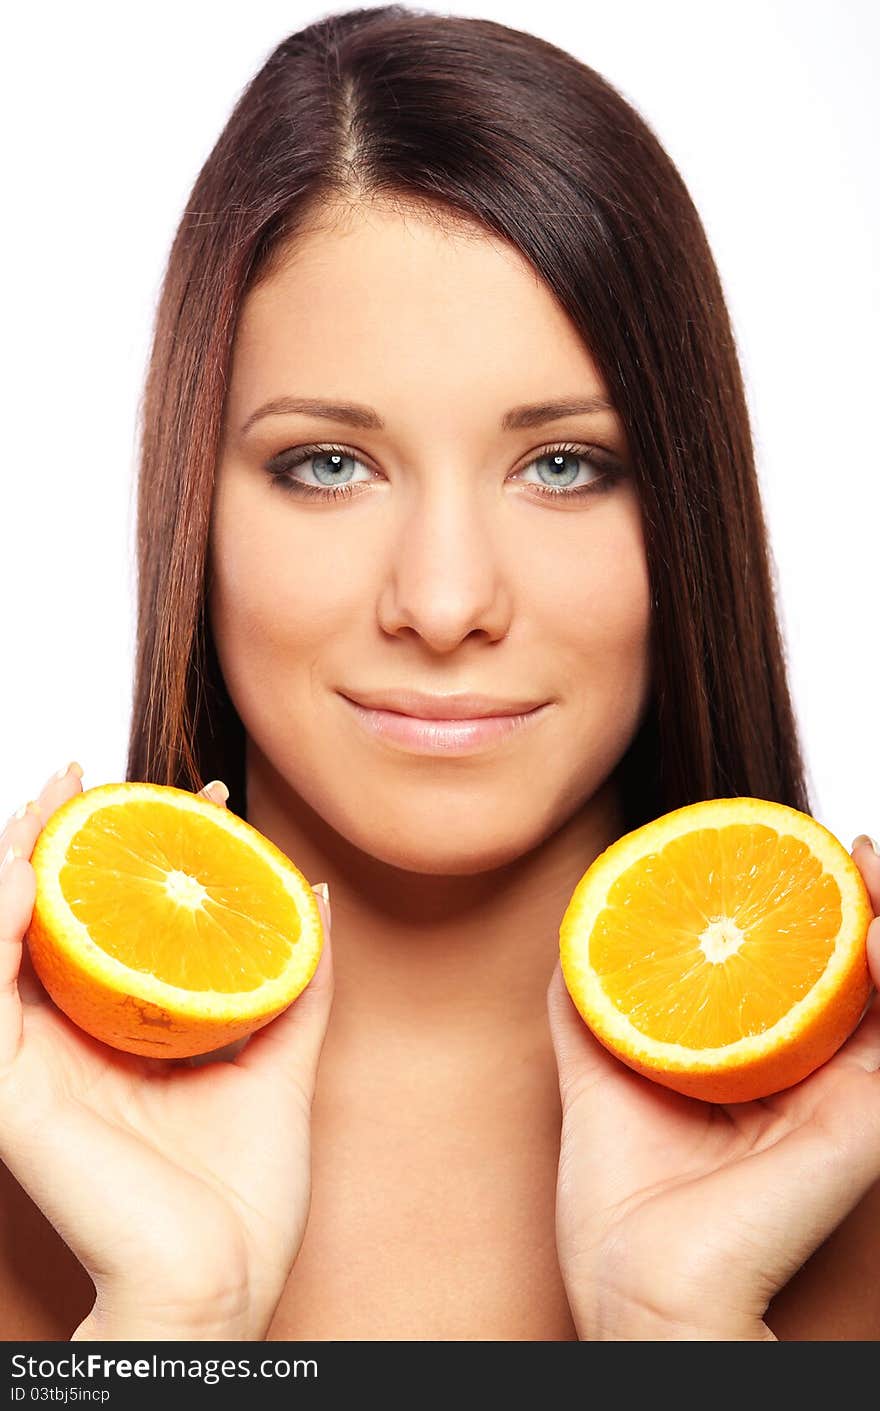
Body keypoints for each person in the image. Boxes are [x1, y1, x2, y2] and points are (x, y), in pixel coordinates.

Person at [2, 5, 879, 1342]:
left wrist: (680, 1334)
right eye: (328, 465)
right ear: (196, 505)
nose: (447, 601)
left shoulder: (851, 1161)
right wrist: (170, 1318)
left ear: (687, 513)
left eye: (564, 465)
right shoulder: (36, 1158)